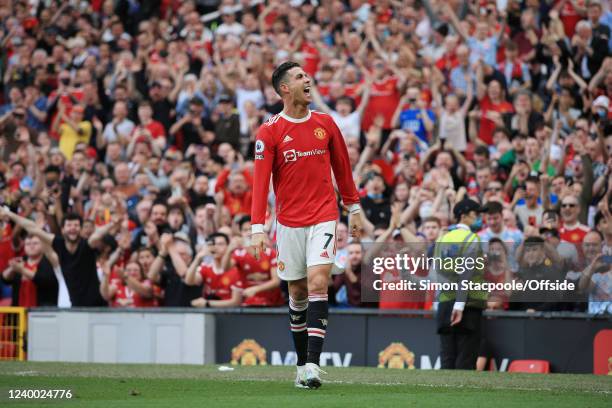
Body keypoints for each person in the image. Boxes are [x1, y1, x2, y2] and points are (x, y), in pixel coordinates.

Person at [250, 61, 361, 389]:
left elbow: (343, 168)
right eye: (299, 77)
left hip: (324, 216)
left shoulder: (326, 123)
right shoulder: (269, 131)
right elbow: (260, 183)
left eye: (306, 75)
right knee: (296, 292)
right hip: (288, 223)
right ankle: (301, 365)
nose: (307, 79)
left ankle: (313, 365)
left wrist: (353, 208)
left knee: (317, 282)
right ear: (285, 88)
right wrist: (258, 227)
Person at [1, 207, 112, 306]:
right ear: (63, 230)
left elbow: (98, 235)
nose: (72, 228)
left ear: (81, 229)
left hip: (96, 308)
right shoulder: (58, 246)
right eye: (69, 225)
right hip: (72, 310)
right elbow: (32, 228)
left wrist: (113, 223)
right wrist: (9, 214)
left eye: (76, 225)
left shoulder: (87, 245)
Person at [433, 198, 488, 370]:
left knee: (447, 358)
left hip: (445, 302)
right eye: (476, 214)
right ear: (463, 216)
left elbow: (437, 274)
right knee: (466, 359)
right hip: (468, 304)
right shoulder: (472, 238)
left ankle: (442, 396)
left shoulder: (442, 239)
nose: (479, 218)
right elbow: (467, 273)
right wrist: (460, 305)